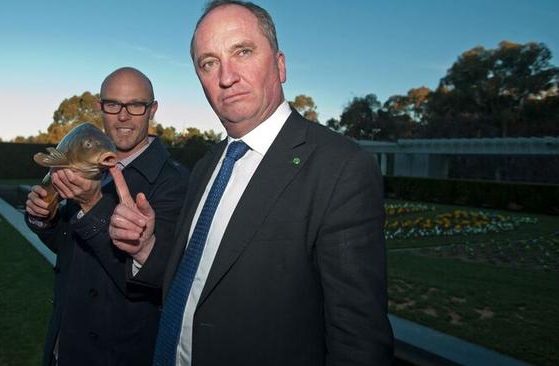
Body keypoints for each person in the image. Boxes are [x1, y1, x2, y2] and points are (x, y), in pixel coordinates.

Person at [110, 1, 394, 364]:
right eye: (208, 62)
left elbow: (359, 343)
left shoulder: (340, 168)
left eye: (242, 51)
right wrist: (145, 248)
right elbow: (197, 280)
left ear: (280, 65)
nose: (226, 76)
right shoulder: (206, 166)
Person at [25, 67, 189, 366]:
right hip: (65, 344)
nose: (123, 116)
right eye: (113, 104)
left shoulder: (175, 182)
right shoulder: (89, 163)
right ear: (100, 106)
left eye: (136, 105)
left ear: (152, 110)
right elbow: (70, 248)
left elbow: (159, 275)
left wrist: (92, 204)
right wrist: (43, 217)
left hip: (118, 353)